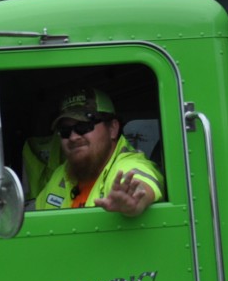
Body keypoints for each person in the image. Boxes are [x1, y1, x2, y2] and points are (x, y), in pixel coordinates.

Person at [34, 87, 164, 216]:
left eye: (84, 125)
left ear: (113, 128)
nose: (73, 137)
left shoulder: (128, 165)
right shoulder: (61, 174)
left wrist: (133, 199)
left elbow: (140, 183)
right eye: (65, 130)